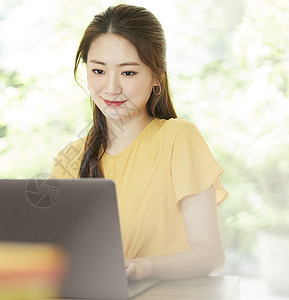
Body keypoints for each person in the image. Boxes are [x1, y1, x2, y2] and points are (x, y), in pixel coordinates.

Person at [50, 4, 228, 281]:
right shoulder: (69, 159)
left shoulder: (178, 138)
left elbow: (210, 255)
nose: (111, 88)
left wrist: (143, 268)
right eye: (98, 71)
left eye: (128, 73)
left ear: (157, 77)